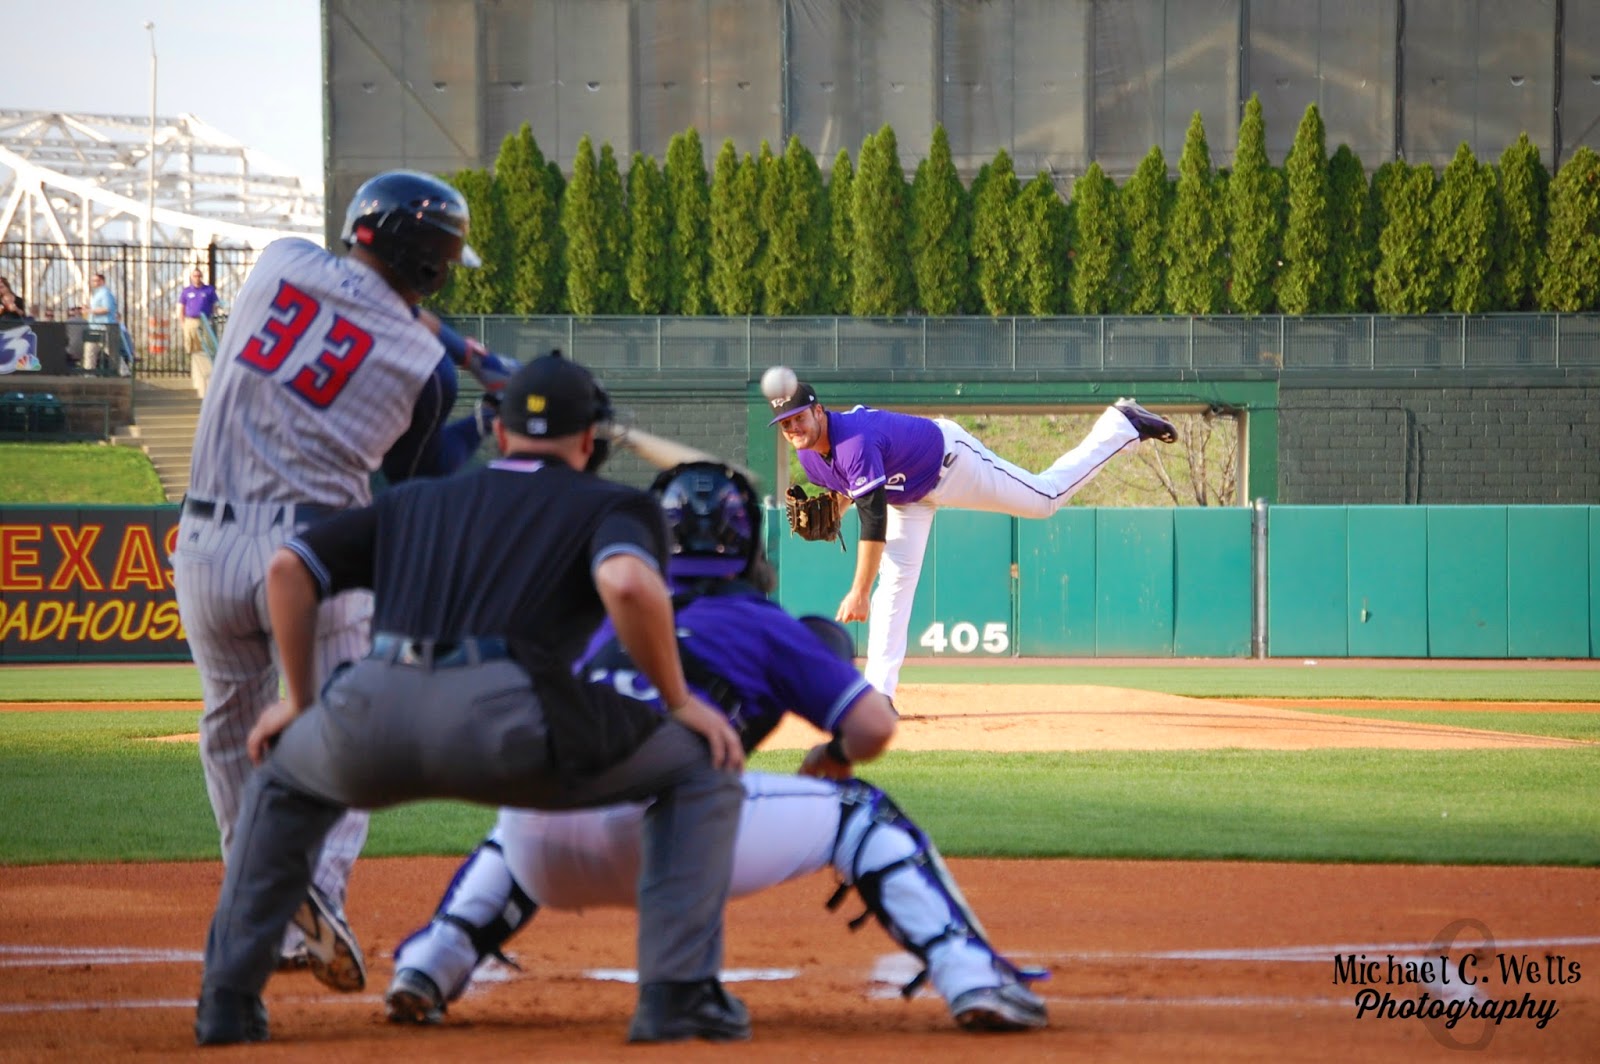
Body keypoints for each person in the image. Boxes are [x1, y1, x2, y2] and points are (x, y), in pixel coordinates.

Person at [192, 355, 746, 1047]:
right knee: (701, 760)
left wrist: (299, 700)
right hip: (512, 724)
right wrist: (678, 700)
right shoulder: (614, 504)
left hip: (372, 713)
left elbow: (289, 568)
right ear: (588, 443)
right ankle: (675, 997)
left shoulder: (413, 499)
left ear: (503, 436)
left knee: (281, 783)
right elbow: (629, 586)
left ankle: (227, 1003)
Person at [382, 462, 1050, 1034]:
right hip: (680, 843)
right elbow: (875, 726)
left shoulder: (597, 615)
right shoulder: (761, 622)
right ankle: (971, 978)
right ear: (749, 544)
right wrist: (835, 754)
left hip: (541, 854)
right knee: (863, 814)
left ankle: (431, 963)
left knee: (532, 803)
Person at [172, 170, 507, 993]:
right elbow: (420, 471)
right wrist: (489, 423)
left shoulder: (277, 260)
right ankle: (313, 893)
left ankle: (265, 902)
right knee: (352, 733)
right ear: (431, 266)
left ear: (359, 228)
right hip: (312, 560)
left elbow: (356, 298)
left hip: (206, 547)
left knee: (228, 733)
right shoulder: (426, 368)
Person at [769, 383, 1178, 699]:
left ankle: (1121, 424)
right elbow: (850, 490)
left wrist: (858, 590)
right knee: (895, 585)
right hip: (907, 496)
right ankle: (879, 693)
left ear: (819, 410)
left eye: (799, 418)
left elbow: (873, 517)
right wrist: (836, 511)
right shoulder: (808, 455)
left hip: (950, 462)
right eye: (785, 424)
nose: (793, 428)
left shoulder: (854, 439)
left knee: (1044, 500)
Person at [178, 268, 220, 397]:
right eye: (194, 276)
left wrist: (213, 318)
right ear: (191, 277)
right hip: (190, 321)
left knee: (204, 349)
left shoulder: (209, 290)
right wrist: (182, 323)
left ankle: (205, 376)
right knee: (192, 348)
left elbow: (215, 305)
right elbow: (181, 308)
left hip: (204, 320)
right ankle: (195, 375)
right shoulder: (186, 291)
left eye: (198, 275)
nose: (197, 278)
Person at [80, 272, 119, 374]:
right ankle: (88, 375)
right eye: (92, 281)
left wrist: (90, 311)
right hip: (94, 327)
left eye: (95, 280)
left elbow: (107, 309)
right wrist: (89, 309)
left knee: (111, 351)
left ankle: (123, 372)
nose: (93, 283)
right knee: (90, 352)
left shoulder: (105, 293)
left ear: (102, 281)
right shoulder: (96, 294)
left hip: (104, 327)